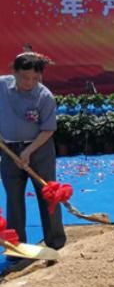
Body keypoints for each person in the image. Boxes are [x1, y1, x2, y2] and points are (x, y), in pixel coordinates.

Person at [0, 52, 66, 251]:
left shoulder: (44, 96)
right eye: (24, 77)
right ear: (14, 72)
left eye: (34, 78)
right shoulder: (2, 86)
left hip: (39, 149)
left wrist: (28, 151)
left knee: (48, 195)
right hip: (9, 149)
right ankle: (17, 247)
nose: (29, 82)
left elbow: (48, 129)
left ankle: (55, 243)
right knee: (13, 199)